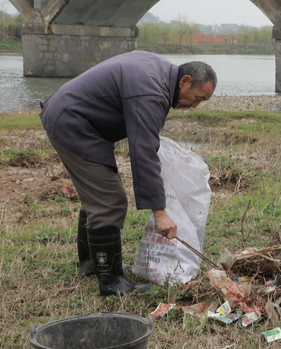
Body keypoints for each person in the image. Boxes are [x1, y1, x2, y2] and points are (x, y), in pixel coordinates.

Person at [40, 51, 216, 296]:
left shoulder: (159, 74)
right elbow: (143, 150)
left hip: (78, 120)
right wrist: (160, 212)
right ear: (185, 81)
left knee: (100, 194)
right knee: (109, 201)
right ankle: (111, 282)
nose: (194, 106)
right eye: (197, 98)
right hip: (73, 123)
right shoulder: (152, 92)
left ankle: (91, 263)